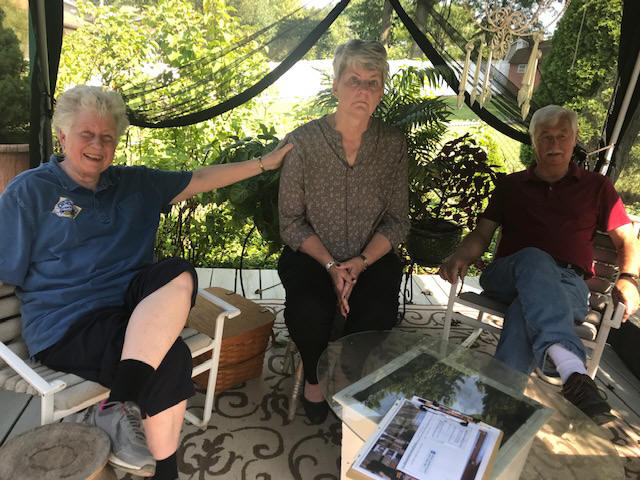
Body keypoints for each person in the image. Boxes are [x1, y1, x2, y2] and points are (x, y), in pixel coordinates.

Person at [0, 85, 292, 479]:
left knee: (178, 270)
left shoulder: (135, 184)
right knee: (172, 358)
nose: (98, 146)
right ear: (63, 136)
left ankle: (119, 400)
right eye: (87, 134)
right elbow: (6, 270)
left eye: (107, 137)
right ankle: (160, 462)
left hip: (134, 310)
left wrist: (265, 163)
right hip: (69, 324)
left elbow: (201, 178)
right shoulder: (30, 192)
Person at [439, 105, 639, 425]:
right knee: (534, 257)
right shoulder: (511, 185)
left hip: (567, 285)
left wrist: (628, 277)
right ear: (533, 141)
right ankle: (572, 368)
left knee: (525, 310)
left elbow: (626, 240)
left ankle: (496, 413)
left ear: (575, 139)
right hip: (509, 274)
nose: (554, 144)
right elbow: (482, 234)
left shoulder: (597, 188)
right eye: (545, 136)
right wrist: (460, 255)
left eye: (562, 136)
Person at [278, 40, 409, 424]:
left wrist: (359, 263)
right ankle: (314, 376)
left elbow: (397, 220)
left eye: (373, 82)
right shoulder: (302, 143)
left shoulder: (393, 146)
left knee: (379, 308)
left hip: (369, 258)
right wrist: (331, 265)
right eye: (354, 80)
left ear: (381, 90)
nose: (363, 90)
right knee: (308, 308)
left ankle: (351, 373)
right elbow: (291, 221)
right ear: (335, 85)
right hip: (313, 255)